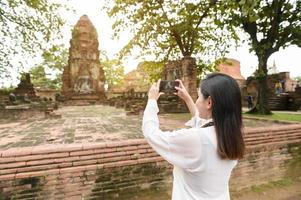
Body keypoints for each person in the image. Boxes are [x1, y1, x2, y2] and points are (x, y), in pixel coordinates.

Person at [142, 73, 245, 200]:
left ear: (209, 102)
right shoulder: (232, 136)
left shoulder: (196, 139)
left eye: (198, 96)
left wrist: (151, 101)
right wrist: (187, 99)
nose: (196, 101)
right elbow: (203, 125)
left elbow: (151, 134)